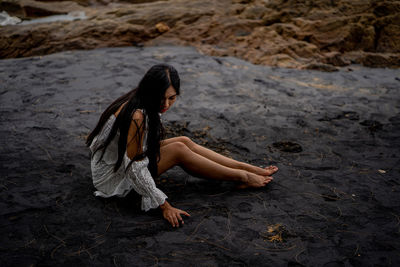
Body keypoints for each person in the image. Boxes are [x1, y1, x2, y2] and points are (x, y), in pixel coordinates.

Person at [86, 64, 278, 227]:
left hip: (116, 162)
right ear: (150, 91)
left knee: (183, 141)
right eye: (161, 98)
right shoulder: (137, 115)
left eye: (172, 97)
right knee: (179, 150)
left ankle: (249, 168)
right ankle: (242, 177)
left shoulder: (140, 100)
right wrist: (164, 206)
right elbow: (134, 168)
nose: (166, 104)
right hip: (111, 177)